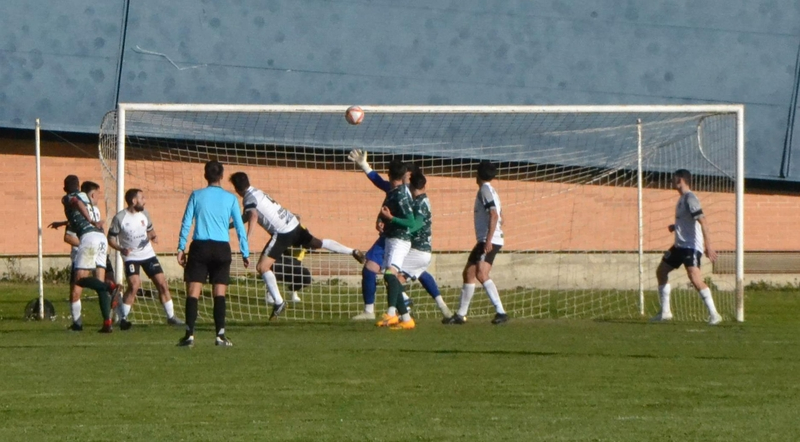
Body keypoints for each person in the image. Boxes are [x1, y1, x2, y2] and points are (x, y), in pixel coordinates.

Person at [228, 171, 365, 320]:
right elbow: (248, 215)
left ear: (236, 189)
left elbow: (253, 215)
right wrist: (230, 225)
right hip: (294, 224)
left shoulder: (248, 198)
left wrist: (247, 238)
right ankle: (352, 251)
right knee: (317, 243)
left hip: (282, 232)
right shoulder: (257, 192)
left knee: (262, 267)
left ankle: (279, 302)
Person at [348, 149, 444, 320]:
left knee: (397, 273)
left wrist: (393, 220)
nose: (405, 177)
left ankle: (398, 309)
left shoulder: (411, 195)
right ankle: (372, 311)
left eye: (407, 175)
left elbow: (414, 221)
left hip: (403, 238)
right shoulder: (398, 190)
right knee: (374, 268)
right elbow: (381, 184)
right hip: (391, 236)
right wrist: (365, 166)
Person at [176, 161, 250, 347]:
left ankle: (190, 335)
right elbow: (240, 227)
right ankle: (220, 335)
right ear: (222, 176)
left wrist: (180, 248)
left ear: (205, 175)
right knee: (220, 292)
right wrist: (245, 251)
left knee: (193, 291)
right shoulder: (231, 198)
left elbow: (186, 222)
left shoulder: (196, 195)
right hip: (221, 248)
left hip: (200, 246)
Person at [373, 166, 453, 321]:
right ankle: (443, 309)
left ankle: (400, 312)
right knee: (412, 275)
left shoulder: (419, 203)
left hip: (418, 250)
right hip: (421, 251)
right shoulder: (421, 199)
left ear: (411, 186)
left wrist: (395, 224)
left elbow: (415, 225)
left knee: (392, 278)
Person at [653, 169, 722, 325]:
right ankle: (665, 312)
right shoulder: (682, 199)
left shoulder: (690, 198)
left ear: (680, 181)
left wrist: (708, 246)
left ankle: (714, 314)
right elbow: (687, 221)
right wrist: (675, 226)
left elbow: (703, 221)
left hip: (691, 247)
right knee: (661, 271)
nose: (671, 182)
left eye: (673, 179)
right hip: (679, 246)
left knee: (695, 278)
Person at [107, 188, 182, 329]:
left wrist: (153, 236)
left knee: (162, 284)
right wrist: (120, 248)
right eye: (142, 198)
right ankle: (123, 318)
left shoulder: (145, 214)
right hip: (131, 257)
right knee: (134, 285)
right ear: (134, 201)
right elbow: (110, 239)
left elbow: (150, 230)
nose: (144, 201)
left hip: (148, 254)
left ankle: (171, 317)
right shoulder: (120, 218)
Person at [445, 161, 508, 325]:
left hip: (489, 239)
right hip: (489, 238)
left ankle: (501, 312)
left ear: (477, 174)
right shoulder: (492, 190)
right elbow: (501, 215)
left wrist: (488, 240)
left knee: (481, 273)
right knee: (469, 273)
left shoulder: (485, 190)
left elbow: (494, 215)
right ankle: (460, 314)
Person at [49, 181, 119, 317]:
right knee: (99, 284)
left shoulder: (71, 200)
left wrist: (90, 222)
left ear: (65, 188)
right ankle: (108, 322)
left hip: (88, 242)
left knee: (79, 282)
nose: (98, 197)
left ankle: (77, 322)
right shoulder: (93, 208)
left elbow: (69, 234)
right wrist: (63, 223)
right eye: (98, 194)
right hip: (100, 241)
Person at [374, 159, 422, 329]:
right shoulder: (393, 192)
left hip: (400, 240)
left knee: (389, 274)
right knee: (390, 279)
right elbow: (385, 210)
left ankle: (391, 313)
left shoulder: (402, 194)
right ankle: (407, 319)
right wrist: (380, 220)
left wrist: (390, 219)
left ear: (388, 174)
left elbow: (410, 222)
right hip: (390, 238)